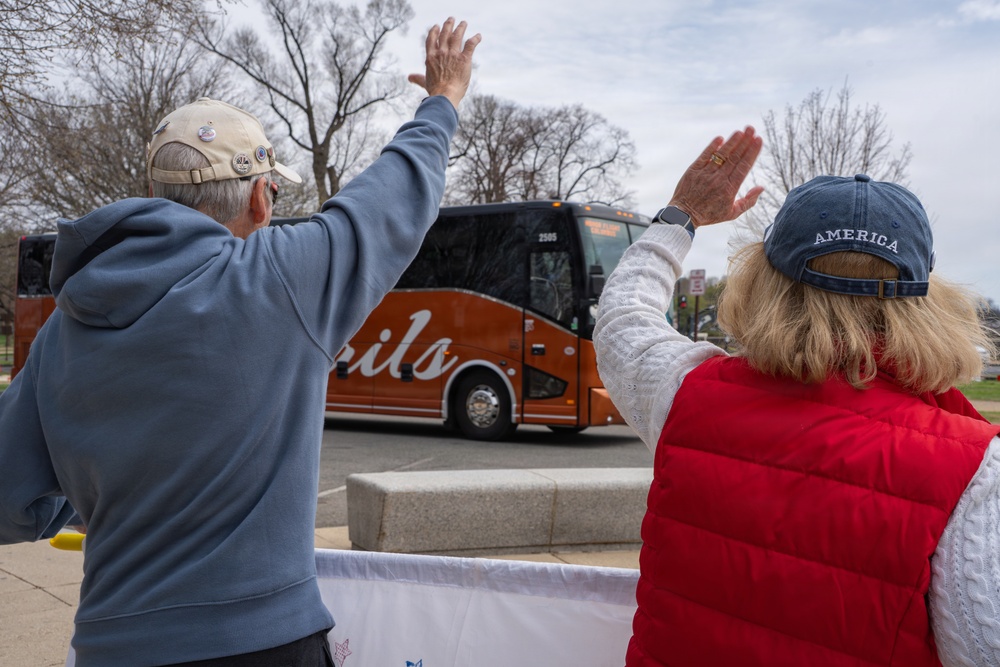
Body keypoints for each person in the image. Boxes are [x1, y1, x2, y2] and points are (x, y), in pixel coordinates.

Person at [0, 17, 480, 667]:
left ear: (155, 196)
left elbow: (9, 499)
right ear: (261, 197)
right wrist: (441, 102)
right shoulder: (277, 281)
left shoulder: (64, 328)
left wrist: (87, 494)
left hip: (111, 645)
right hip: (264, 644)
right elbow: (394, 198)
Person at [594, 127, 1000, 666]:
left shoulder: (685, 395)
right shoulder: (975, 470)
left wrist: (682, 213)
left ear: (764, 281)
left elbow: (624, 318)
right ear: (926, 298)